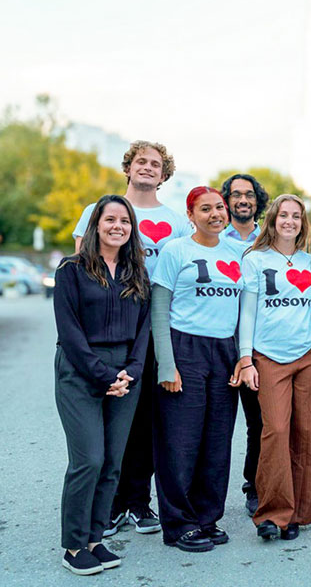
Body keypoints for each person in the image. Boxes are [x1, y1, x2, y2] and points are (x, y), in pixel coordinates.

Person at [73, 141, 190, 537]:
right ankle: (105, 506)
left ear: (164, 174)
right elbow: (82, 270)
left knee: (144, 423)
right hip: (107, 332)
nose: (147, 168)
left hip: (154, 331)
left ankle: (137, 502)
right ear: (128, 167)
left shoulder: (175, 222)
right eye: (141, 161)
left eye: (156, 164)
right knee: (105, 420)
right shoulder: (99, 210)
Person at [55, 195, 151, 574]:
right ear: (95, 225)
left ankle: (96, 539)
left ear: (132, 228)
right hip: (80, 371)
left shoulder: (137, 273)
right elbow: (70, 332)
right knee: (88, 459)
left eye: (125, 221)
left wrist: (132, 371)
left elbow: (144, 330)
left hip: (125, 373)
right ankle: (74, 546)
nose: (117, 226)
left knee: (113, 462)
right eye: (110, 219)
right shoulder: (71, 270)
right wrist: (103, 374)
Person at [150, 186, 244, 552]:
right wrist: (166, 365)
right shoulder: (176, 251)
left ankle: (207, 517)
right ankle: (178, 523)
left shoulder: (238, 252)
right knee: (180, 442)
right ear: (191, 215)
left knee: (217, 442)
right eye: (205, 209)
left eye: (219, 207)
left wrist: (242, 354)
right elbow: (159, 308)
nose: (215, 214)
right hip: (184, 348)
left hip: (225, 350)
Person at [232, 194, 311, 541]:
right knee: (275, 432)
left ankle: (298, 514)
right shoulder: (254, 259)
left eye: (296, 216)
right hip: (268, 355)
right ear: (272, 220)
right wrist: (246, 358)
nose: (289, 221)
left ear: (303, 223)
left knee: (307, 432)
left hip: (310, 354)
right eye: (283, 215)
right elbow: (248, 312)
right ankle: (271, 513)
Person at [221, 173, 270, 515]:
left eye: (249, 195)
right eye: (236, 194)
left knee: (260, 422)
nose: (243, 200)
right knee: (217, 425)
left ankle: (254, 485)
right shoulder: (211, 238)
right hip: (220, 343)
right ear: (226, 201)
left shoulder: (267, 242)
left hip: (257, 345)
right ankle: (206, 495)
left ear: (258, 201)